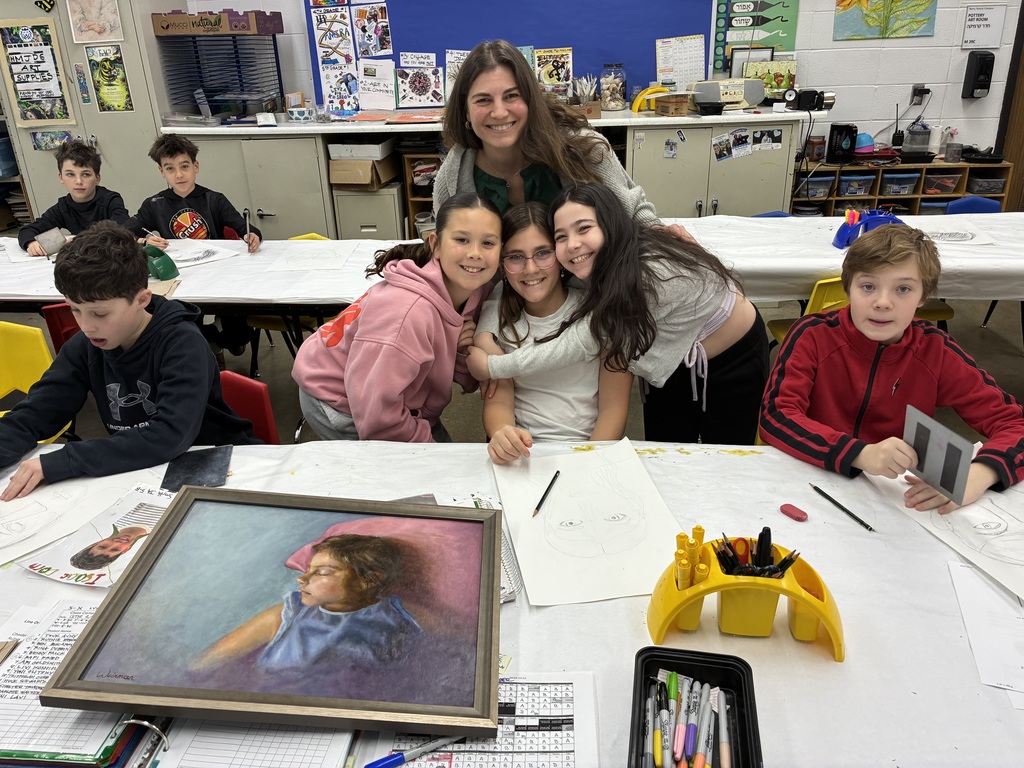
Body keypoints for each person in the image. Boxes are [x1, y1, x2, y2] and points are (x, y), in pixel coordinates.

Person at [467, 183, 769, 445]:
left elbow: (578, 342)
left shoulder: (649, 277)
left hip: (732, 358)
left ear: (610, 225)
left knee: (727, 457)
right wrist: (484, 333)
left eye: (584, 228)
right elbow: (507, 290)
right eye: (561, 236)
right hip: (669, 360)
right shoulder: (584, 267)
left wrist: (493, 366)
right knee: (665, 456)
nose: (573, 244)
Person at [759, 224, 1024, 514]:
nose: (883, 302)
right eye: (868, 286)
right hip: (806, 482)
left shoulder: (935, 351)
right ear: (849, 287)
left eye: (903, 289)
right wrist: (860, 453)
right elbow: (777, 417)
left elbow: (1014, 424)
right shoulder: (812, 336)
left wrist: (980, 475)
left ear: (923, 297)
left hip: (890, 500)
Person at [0, 221, 260, 501]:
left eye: (100, 314)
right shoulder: (85, 347)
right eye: (75, 310)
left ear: (142, 299)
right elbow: (34, 415)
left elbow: (168, 436)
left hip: (220, 465)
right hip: (147, 471)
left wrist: (64, 461)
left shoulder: (182, 343)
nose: (86, 326)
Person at [292, 192, 500, 443]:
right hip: (340, 400)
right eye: (462, 239)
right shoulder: (405, 314)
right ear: (435, 245)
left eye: (488, 243)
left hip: (390, 391)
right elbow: (378, 419)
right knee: (424, 474)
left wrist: (461, 353)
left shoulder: (477, 290)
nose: (475, 253)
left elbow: (458, 370)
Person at [435, 38, 686, 241]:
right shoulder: (452, 179)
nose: (499, 112)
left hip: (584, 288)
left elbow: (632, 213)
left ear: (531, 100)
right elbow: (449, 253)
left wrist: (662, 238)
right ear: (465, 111)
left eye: (512, 96)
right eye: (483, 100)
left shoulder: (582, 150)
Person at [474, 202, 632, 463]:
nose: (531, 269)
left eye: (542, 253)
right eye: (515, 256)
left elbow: (613, 408)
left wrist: (589, 459)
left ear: (560, 256)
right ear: (502, 264)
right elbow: (498, 399)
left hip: (589, 450)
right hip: (525, 452)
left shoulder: (600, 311)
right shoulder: (501, 323)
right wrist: (502, 432)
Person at [192, 534, 423, 672]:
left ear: (368, 580)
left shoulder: (399, 612)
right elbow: (207, 662)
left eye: (321, 572)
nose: (302, 579)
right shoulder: (288, 613)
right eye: (308, 571)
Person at [126, 134, 260, 354]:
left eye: (184, 166)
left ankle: (220, 335)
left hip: (219, 274)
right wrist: (143, 240)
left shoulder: (213, 199)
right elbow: (123, 232)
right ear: (161, 171)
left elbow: (247, 229)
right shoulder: (154, 204)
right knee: (187, 328)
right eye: (170, 169)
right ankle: (205, 342)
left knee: (237, 339)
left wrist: (251, 236)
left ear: (196, 166)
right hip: (181, 278)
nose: (179, 175)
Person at [18, 139, 129, 257]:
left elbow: (122, 230)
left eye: (86, 174)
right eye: (70, 174)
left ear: (97, 178)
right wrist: (31, 243)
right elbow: (28, 230)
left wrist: (77, 241)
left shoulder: (110, 200)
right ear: (61, 177)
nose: (78, 181)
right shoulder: (63, 207)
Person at [69, 525, 148, 570]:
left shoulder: (119, 515)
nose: (116, 543)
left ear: (95, 543)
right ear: (125, 550)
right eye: (116, 549)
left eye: (103, 546)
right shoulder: (158, 531)